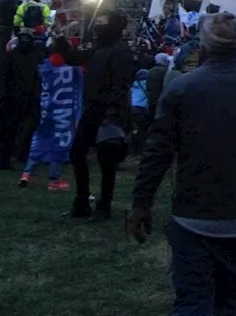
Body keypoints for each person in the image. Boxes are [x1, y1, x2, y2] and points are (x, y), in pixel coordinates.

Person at [126, 12, 236, 314]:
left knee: (193, 300)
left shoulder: (181, 89)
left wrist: (141, 204)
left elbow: (157, 154)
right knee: (235, 296)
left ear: (202, 48)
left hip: (194, 212)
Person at [68, 12, 135, 222]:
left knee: (107, 162)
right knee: (77, 153)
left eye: (101, 22)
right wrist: (62, 39)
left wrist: (112, 113)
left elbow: (121, 84)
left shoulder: (120, 51)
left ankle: (104, 206)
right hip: (92, 109)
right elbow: (75, 58)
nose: (97, 25)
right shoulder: (98, 47)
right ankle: (82, 200)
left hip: (108, 111)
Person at [20, 36, 81, 190]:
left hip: (45, 110)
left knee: (40, 141)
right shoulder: (72, 71)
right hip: (63, 112)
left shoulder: (45, 67)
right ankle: (54, 179)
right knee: (59, 143)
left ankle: (27, 173)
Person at [0, 28, 43, 172]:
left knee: (18, 129)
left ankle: (16, 156)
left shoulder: (15, 55)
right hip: (17, 99)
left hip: (23, 98)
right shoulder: (30, 56)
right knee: (12, 130)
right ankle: (10, 158)